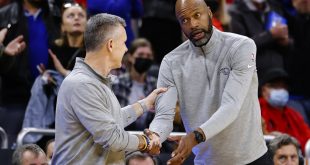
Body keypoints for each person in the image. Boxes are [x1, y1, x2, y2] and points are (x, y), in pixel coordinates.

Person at [146, 0, 270, 164]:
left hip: (252, 158)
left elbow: (231, 105)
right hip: (207, 161)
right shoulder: (171, 62)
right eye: (185, 20)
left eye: (197, 15)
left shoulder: (243, 46)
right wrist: (155, 135)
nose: (193, 24)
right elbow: (164, 115)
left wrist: (196, 136)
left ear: (209, 13)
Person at [52, 13, 165, 164]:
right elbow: (112, 138)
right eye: (124, 42)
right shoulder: (82, 84)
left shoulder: (95, 82)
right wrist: (145, 142)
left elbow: (111, 121)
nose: (126, 49)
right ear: (110, 45)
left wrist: (145, 104)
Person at [0, 0, 59, 147]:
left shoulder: (57, 14)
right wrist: (4, 53)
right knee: (11, 152)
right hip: (14, 99)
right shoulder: (5, 15)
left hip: (50, 99)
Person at [229, 0, 290, 81]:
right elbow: (241, 47)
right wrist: (270, 35)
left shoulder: (276, 7)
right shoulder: (235, 11)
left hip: (277, 73)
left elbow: (290, 41)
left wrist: (286, 42)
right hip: (252, 76)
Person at [259, 68, 310, 151]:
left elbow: (308, 138)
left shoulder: (294, 115)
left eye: (283, 87)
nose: (280, 90)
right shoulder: (255, 111)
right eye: (274, 86)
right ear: (263, 90)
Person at [112, 38, 157, 131]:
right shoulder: (118, 84)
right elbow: (115, 117)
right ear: (131, 57)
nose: (144, 58)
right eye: (140, 55)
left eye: (148, 56)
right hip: (123, 135)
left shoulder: (155, 85)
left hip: (150, 136)